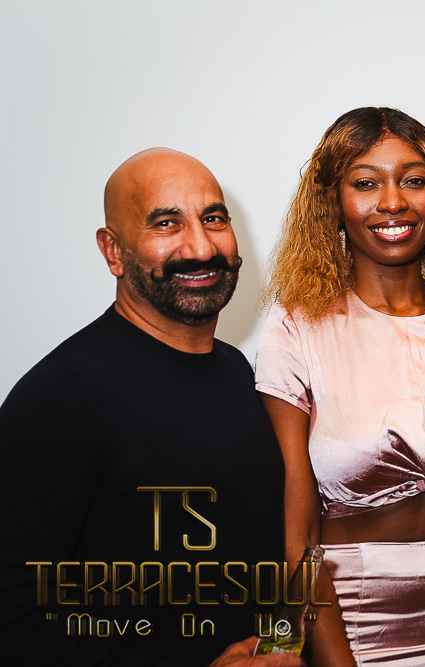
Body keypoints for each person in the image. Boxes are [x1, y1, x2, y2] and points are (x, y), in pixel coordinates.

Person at [0, 148, 302, 667]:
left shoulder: (237, 370)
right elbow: (12, 621)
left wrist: (277, 645)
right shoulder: (61, 396)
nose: (201, 247)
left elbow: (263, 554)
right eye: (166, 223)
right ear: (113, 251)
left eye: (214, 219)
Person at [255, 107, 425, 666]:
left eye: (413, 180)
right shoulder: (296, 326)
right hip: (351, 625)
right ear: (332, 201)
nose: (392, 202)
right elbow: (297, 535)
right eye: (365, 183)